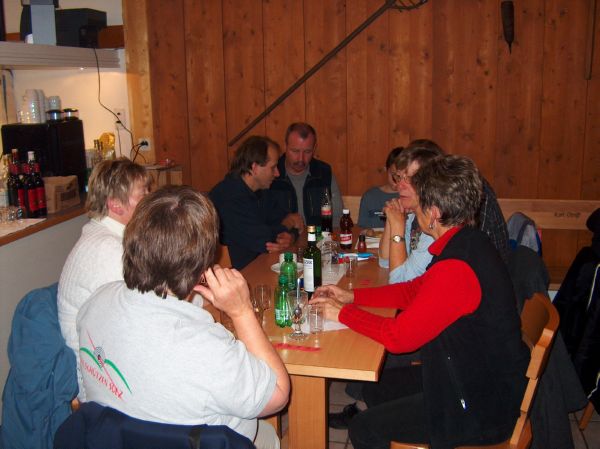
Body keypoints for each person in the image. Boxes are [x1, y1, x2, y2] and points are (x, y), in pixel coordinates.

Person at [311, 155, 529, 449]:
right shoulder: (466, 241)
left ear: (434, 213)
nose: (414, 208)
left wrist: (343, 313)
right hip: (465, 373)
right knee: (374, 389)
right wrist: (352, 296)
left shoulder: (457, 267)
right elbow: (412, 291)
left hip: (479, 405)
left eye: (420, 202)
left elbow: (399, 338)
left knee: (365, 428)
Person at [77, 185, 290, 449]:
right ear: (203, 265)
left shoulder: (96, 301)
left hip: (112, 440)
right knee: (269, 436)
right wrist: (242, 311)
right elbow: (278, 395)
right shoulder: (205, 348)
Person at [58, 158, 151, 400]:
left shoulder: (110, 237)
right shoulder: (108, 250)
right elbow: (152, 312)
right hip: (104, 381)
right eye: (143, 193)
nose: (150, 198)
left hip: (114, 355)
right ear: (116, 204)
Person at [210, 135, 302, 269]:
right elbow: (264, 240)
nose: (277, 173)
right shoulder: (229, 198)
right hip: (234, 273)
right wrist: (287, 224)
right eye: (273, 167)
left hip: (259, 264)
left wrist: (291, 237)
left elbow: (292, 221)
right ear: (254, 168)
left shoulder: (261, 191)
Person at [269, 122, 343, 227]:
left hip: (319, 236)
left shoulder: (324, 173)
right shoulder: (271, 175)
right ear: (285, 146)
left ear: (314, 148)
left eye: (307, 152)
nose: (301, 159)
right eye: (295, 151)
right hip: (282, 236)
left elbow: (337, 217)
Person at [357, 147, 403, 229]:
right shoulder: (370, 196)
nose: (396, 182)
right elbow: (362, 228)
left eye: (400, 177)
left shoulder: (409, 198)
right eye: (393, 175)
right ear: (386, 170)